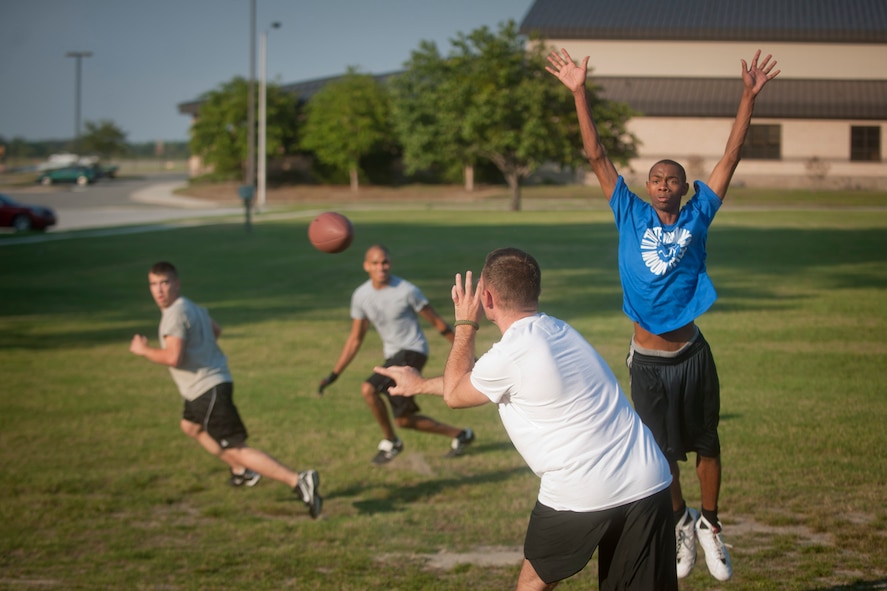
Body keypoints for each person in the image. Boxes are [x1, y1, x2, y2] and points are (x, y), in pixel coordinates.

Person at [546, 48, 781, 581]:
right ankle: (680, 520)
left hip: (692, 353)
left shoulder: (700, 212)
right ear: (647, 187)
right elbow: (596, 154)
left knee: (706, 443)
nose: (663, 184)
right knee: (659, 452)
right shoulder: (627, 211)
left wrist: (747, 97)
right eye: (655, 178)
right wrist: (579, 92)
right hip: (648, 362)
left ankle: (712, 525)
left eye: (672, 179)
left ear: (683, 187)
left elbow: (732, 154)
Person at [375, 247, 677, 591]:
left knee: (532, 584)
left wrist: (465, 323)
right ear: (536, 291)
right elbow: (475, 384)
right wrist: (419, 385)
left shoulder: (510, 354)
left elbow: (456, 395)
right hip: (647, 477)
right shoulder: (560, 331)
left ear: (486, 298)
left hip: (583, 487)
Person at [129, 261, 322, 519]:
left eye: (164, 283)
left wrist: (144, 351)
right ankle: (242, 471)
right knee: (191, 427)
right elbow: (216, 329)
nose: (159, 290)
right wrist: (201, 349)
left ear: (176, 283)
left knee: (235, 446)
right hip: (210, 383)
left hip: (205, 388)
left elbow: (173, 357)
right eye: (153, 284)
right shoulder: (190, 306)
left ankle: (297, 480)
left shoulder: (174, 314)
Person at [318, 244, 474, 464]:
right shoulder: (361, 296)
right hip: (393, 356)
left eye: (385, 262)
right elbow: (355, 339)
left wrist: (469, 354)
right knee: (403, 420)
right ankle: (460, 434)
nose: (381, 267)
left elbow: (438, 323)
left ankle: (391, 442)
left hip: (413, 351)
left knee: (368, 389)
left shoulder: (406, 291)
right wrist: (334, 374)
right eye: (375, 263)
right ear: (366, 266)